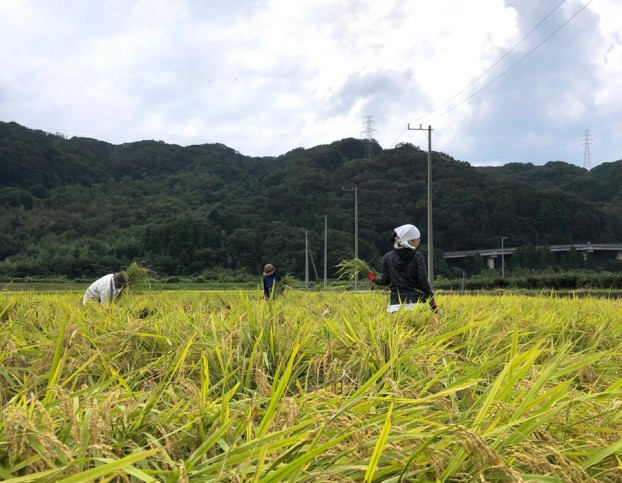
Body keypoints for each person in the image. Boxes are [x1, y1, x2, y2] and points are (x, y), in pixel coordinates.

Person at [368, 224, 439, 313]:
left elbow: (385, 281)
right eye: (418, 240)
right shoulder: (417, 257)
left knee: (396, 326)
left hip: (395, 305)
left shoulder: (387, 257)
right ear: (411, 240)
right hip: (416, 304)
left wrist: (373, 279)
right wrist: (431, 301)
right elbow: (423, 280)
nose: (419, 242)